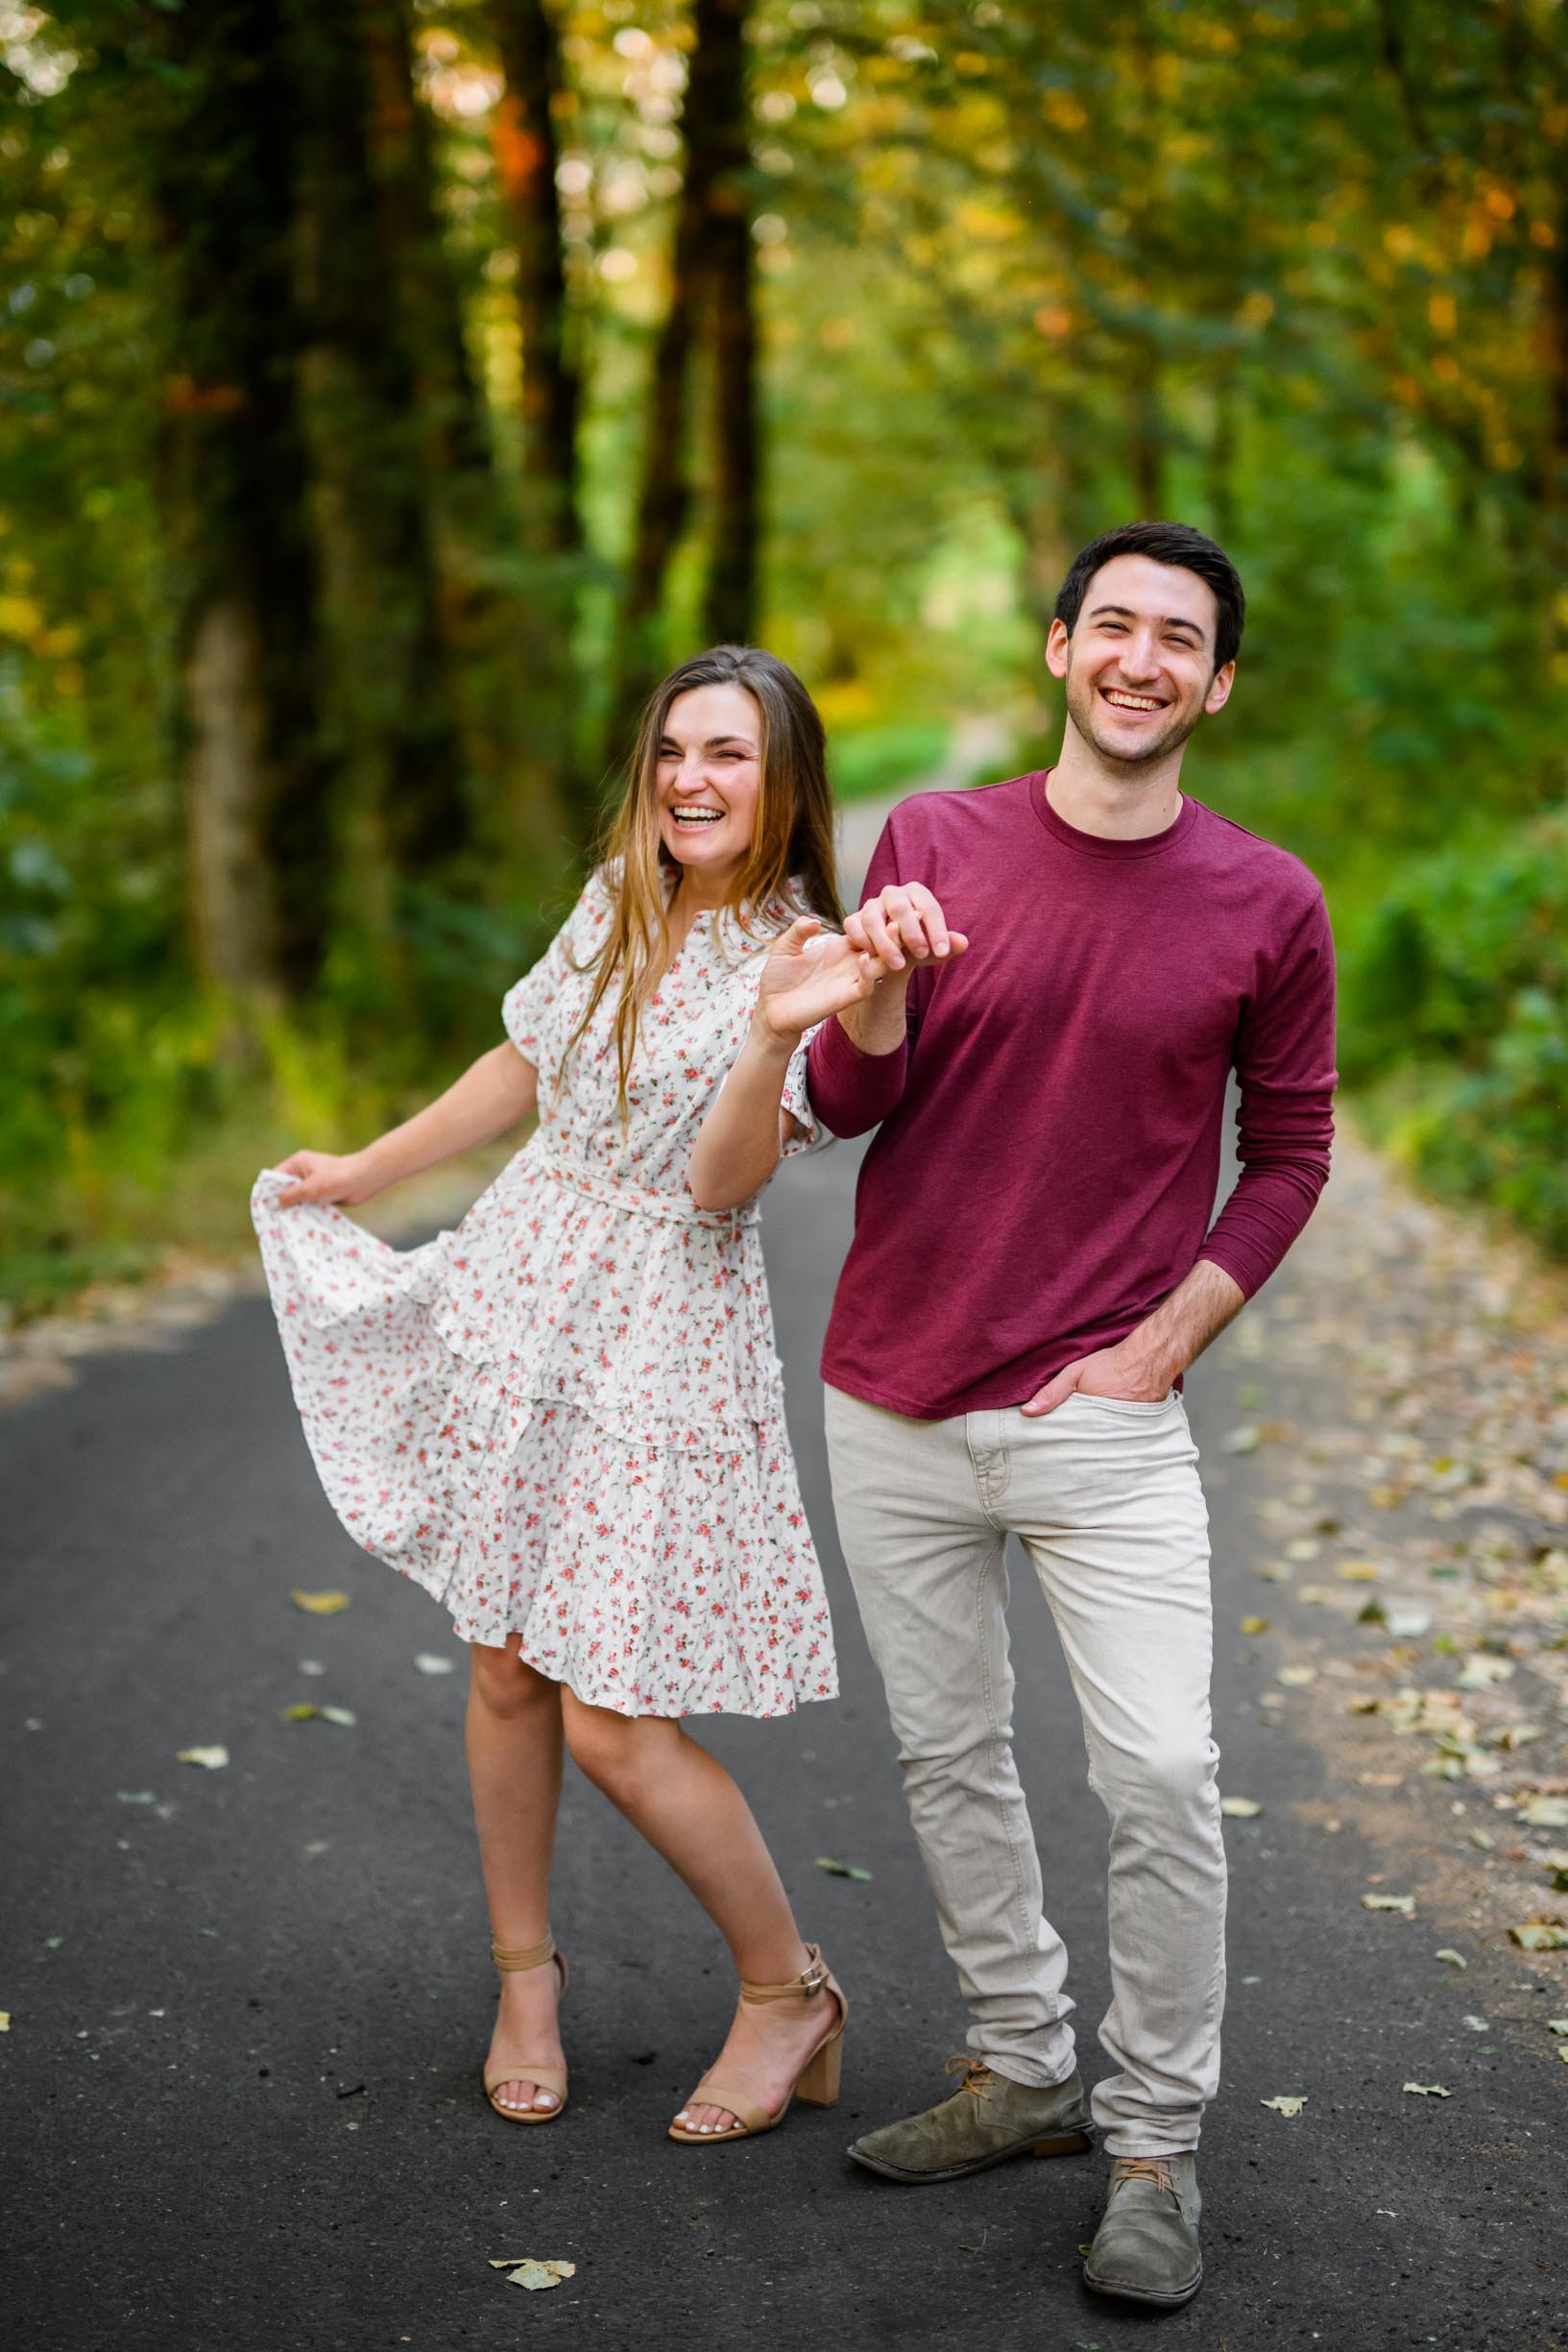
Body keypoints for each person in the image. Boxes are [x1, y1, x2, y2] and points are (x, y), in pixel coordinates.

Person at [691, 524, 1336, 2305]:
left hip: (1102, 1413)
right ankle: (1023, 2067)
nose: (1138, 659)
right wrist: (878, 982)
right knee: (948, 1758)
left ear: (1214, 686)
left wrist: (1160, 1347)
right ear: (1060, 649)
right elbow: (850, 1090)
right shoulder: (936, 841)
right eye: (1109, 625)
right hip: (893, 1385)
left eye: (1177, 640)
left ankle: (1151, 2143)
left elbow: (1286, 1156)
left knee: (1160, 1773)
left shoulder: (1267, 900)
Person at [251, 645, 889, 2146]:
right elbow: (526, 1063)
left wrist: (768, 1028)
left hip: (661, 1328)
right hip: (519, 1287)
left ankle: (785, 1987)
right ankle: (523, 1979)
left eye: (728, 753)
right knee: (499, 1667)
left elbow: (722, 1182)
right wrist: (363, 1169)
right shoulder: (624, 896)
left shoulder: (803, 953)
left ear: (784, 778)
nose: (691, 779)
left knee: (613, 1715)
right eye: (674, 749)